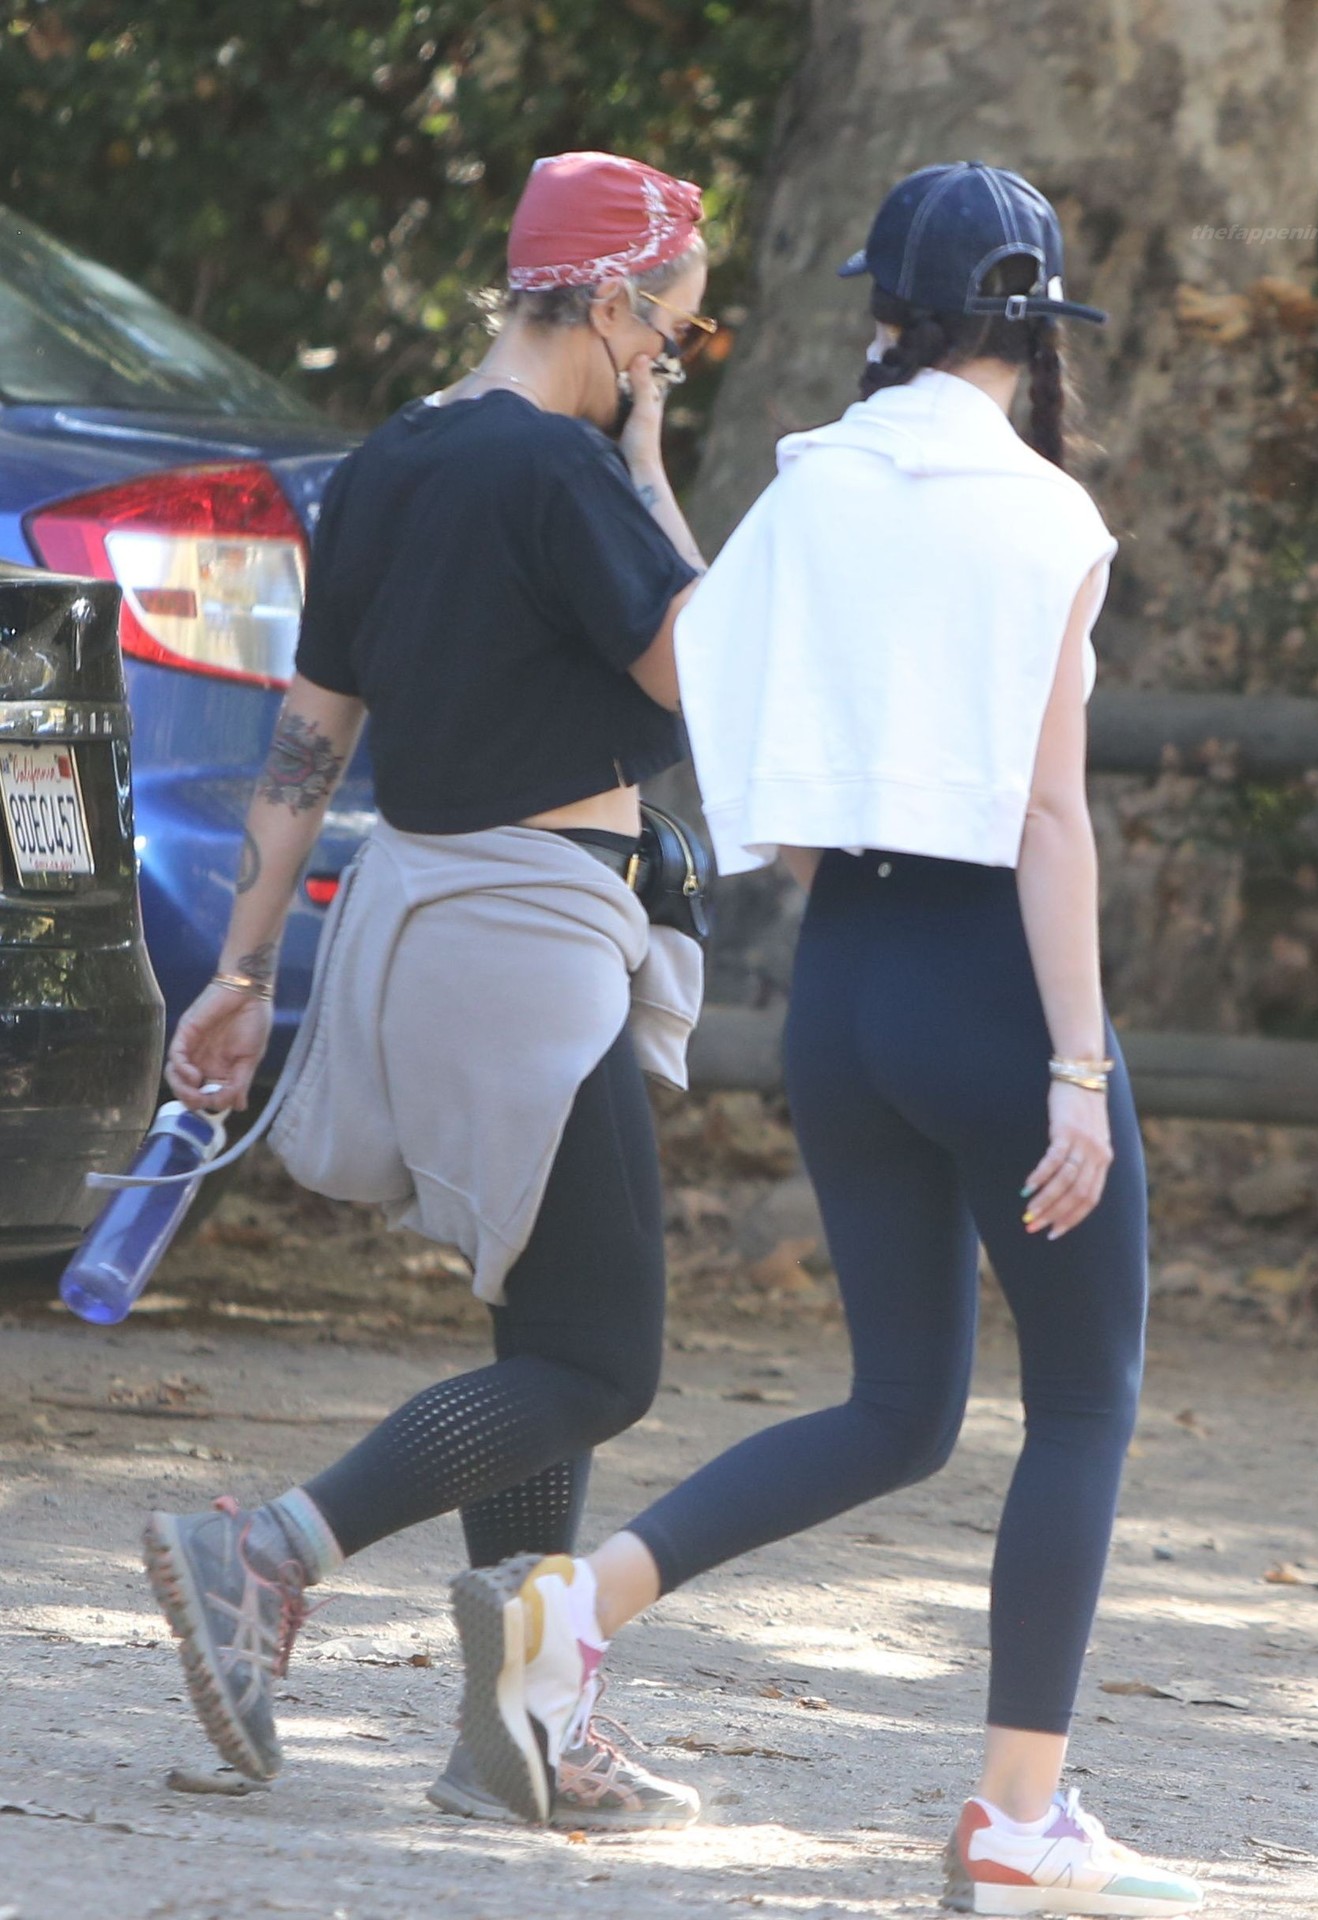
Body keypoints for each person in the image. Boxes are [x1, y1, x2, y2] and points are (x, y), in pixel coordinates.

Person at [449, 162, 1208, 1914]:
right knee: (1081, 1401)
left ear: (888, 313)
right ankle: (1017, 1819)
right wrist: (1078, 1070)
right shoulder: (1048, 518)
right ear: (1036, 326)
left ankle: (578, 1604)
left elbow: (740, 744)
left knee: (897, 1407)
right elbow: (1051, 821)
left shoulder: (806, 488)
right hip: (991, 984)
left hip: (844, 983)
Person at [140, 149, 718, 1832]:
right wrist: (651, 467)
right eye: (673, 331)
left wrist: (244, 969)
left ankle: (518, 1734)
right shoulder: (565, 470)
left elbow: (306, 741)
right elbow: (711, 674)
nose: (669, 363)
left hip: (424, 917)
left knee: (544, 1333)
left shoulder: (390, 460)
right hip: (530, 932)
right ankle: (270, 1550)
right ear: (606, 300)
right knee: (602, 1361)